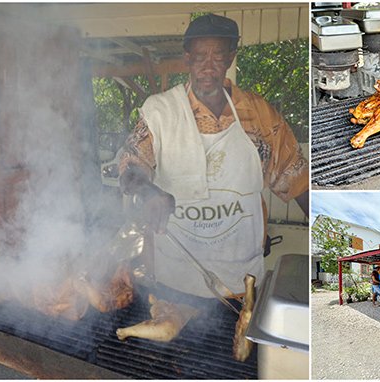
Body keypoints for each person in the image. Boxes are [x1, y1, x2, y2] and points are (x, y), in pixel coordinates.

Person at [118, 14, 308, 298]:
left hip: (239, 277)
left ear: (230, 58)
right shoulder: (160, 111)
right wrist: (148, 191)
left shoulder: (259, 115)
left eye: (218, 56)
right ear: (187, 59)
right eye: (199, 56)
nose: (208, 66)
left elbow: (297, 180)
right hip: (176, 276)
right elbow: (130, 168)